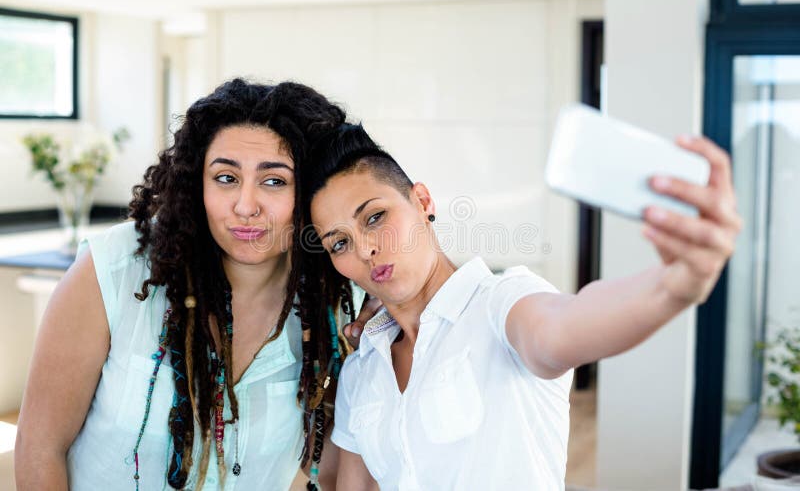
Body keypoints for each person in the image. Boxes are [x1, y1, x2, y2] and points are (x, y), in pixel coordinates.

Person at [303, 123, 742, 490]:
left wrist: (672, 287)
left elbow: (561, 327)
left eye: (375, 217)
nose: (364, 249)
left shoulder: (500, 304)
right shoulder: (363, 368)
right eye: (339, 242)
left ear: (422, 202)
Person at [14, 79, 375, 490]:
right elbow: (39, 445)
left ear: (312, 189)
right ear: (195, 185)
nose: (245, 205)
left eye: (274, 181)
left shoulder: (338, 303)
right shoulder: (112, 269)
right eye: (225, 178)